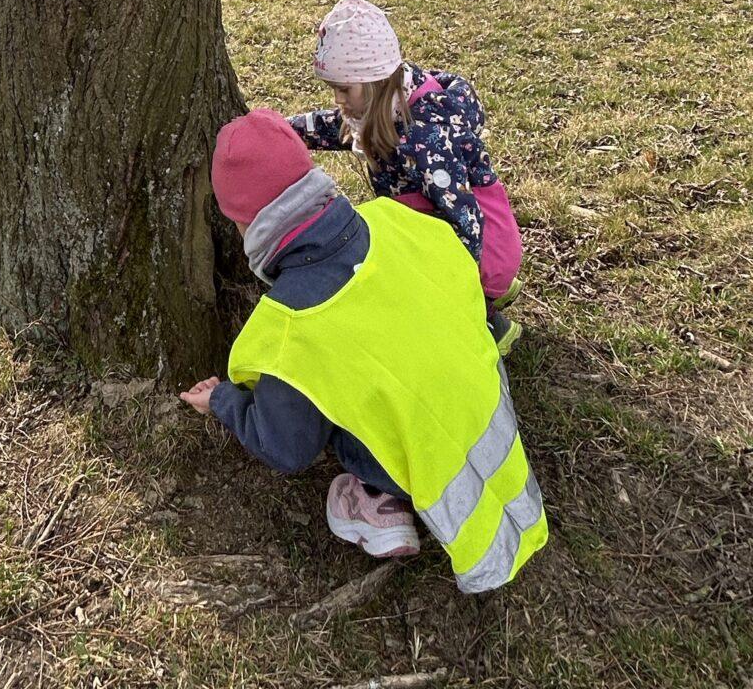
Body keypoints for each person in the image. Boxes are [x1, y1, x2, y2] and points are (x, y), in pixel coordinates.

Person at [179, 109, 547, 591]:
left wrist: (225, 401)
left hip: (427, 468)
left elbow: (288, 448)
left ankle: (376, 499)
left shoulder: (293, 325)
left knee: (333, 405)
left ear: (249, 225)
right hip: (485, 408)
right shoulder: (397, 219)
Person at [290, 0, 523, 352]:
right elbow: (336, 126)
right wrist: (284, 131)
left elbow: (465, 221)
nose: (338, 100)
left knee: (408, 294)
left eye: (343, 89)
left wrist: (461, 288)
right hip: (472, 238)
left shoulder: (425, 142)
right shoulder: (392, 101)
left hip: (478, 251)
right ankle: (493, 287)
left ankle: (487, 319)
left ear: (374, 80)